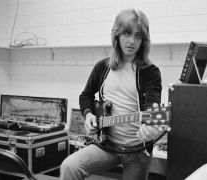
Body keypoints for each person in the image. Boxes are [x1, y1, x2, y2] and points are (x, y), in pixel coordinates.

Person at [60, 8, 162, 180]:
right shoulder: (102, 67)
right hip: (106, 144)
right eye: (126, 34)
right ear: (116, 35)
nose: (132, 41)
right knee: (69, 166)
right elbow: (85, 96)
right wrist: (89, 114)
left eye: (138, 36)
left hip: (136, 150)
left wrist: (149, 127)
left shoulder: (150, 72)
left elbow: (152, 108)